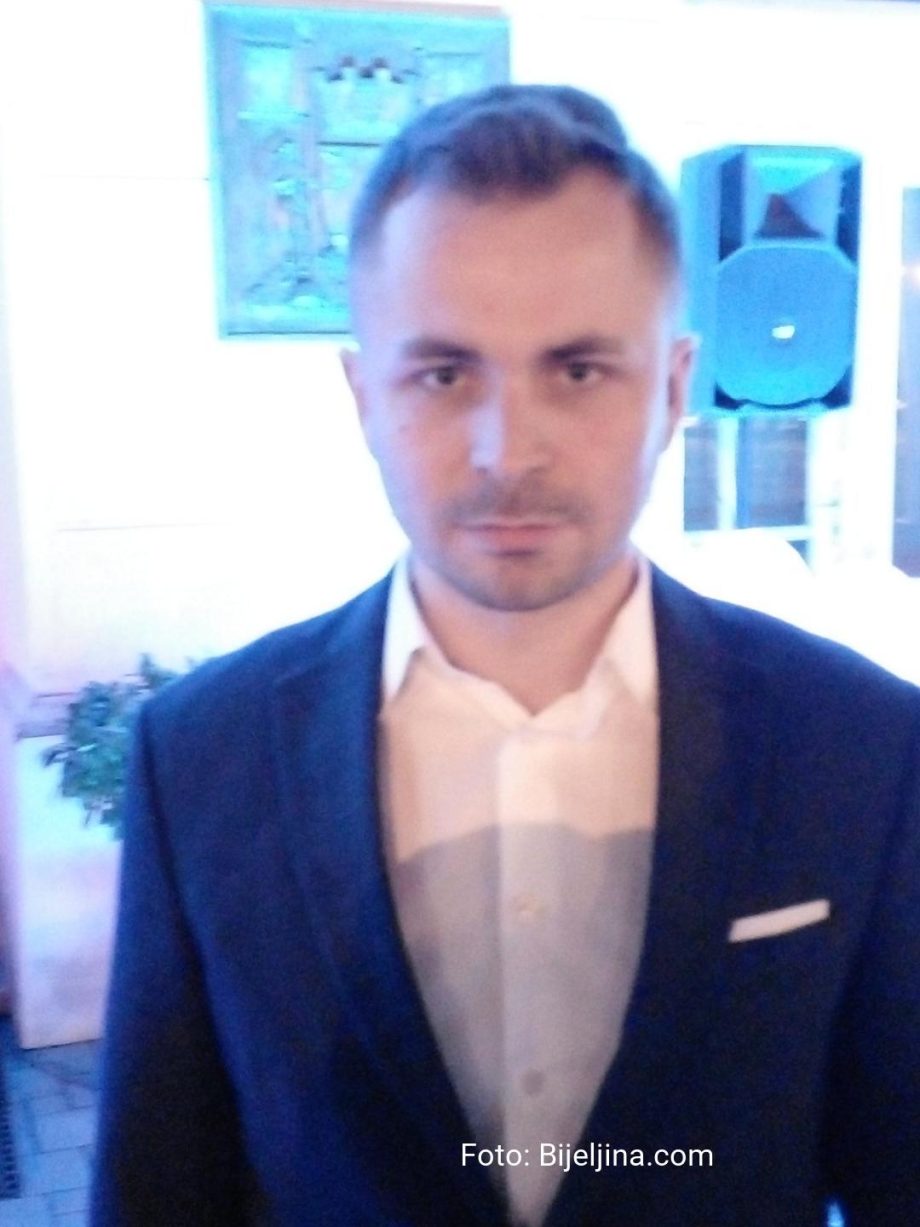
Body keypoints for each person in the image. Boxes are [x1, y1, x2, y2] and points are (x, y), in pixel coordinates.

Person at [91, 84, 920, 1227]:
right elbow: (157, 1191)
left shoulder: (860, 747)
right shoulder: (199, 762)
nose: (506, 450)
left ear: (672, 389)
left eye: (576, 370)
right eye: (443, 374)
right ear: (362, 397)